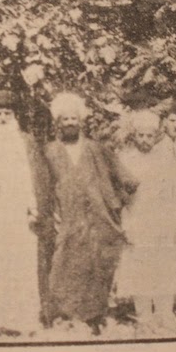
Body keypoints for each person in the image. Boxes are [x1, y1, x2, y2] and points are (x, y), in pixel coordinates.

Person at [45, 93, 139, 334]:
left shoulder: (96, 149)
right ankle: (66, 316)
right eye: (65, 119)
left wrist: (120, 203)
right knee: (65, 264)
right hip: (66, 216)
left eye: (74, 119)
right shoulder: (50, 151)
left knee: (96, 265)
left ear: (81, 121)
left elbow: (124, 178)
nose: (70, 123)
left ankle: (94, 317)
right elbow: (43, 185)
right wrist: (50, 211)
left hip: (96, 217)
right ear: (58, 123)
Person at [0, 91, 52, 339]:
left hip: (17, 212)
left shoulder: (24, 140)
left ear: (15, 116)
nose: (3, 118)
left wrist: (33, 207)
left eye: (8, 113)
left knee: (19, 265)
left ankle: (22, 321)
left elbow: (33, 176)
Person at [116, 110, 176, 326]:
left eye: (149, 136)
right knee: (140, 267)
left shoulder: (166, 160)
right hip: (137, 220)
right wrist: (124, 224)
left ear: (156, 136)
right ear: (134, 136)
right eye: (141, 135)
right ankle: (144, 314)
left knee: (164, 266)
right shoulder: (125, 159)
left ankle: (165, 313)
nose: (145, 140)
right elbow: (119, 197)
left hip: (162, 221)